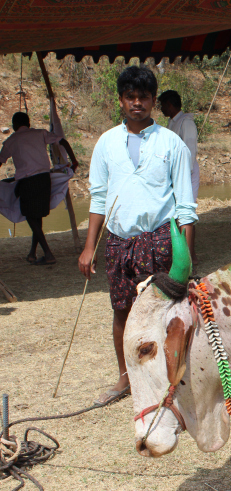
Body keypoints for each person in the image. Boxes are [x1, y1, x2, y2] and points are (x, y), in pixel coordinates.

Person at [78, 66, 197, 406]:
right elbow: (98, 197)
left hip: (157, 239)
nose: (137, 103)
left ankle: (167, 379)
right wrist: (90, 247)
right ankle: (125, 378)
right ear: (120, 100)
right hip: (118, 241)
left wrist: (185, 258)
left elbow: (185, 207)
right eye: (130, 97)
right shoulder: (106, 144)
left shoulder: (171, 144)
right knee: (121, 310)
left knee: (161, 313)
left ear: (153, 101)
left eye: (143, 97)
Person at [0, 112, 78, 265]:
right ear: (28, 123)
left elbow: (0, 160)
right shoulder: (40, 133)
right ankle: (32, 253)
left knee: (30, 216)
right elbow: (63, 141)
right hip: (44, 179)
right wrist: (74, 160)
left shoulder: (12, 140)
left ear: (14, 125)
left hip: (27, 182)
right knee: (37, 216)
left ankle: (48, 254)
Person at [158, 89, 200, 264]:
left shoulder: (186, 123)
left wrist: (184, 175)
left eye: (162, 105)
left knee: (186, 212)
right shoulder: (172, 123)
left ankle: (191, 255)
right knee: (175, 213)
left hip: (186, 173)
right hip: (174, 174)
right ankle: (180, 252)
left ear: (169, 105)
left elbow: (190, 149)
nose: (161, 109)